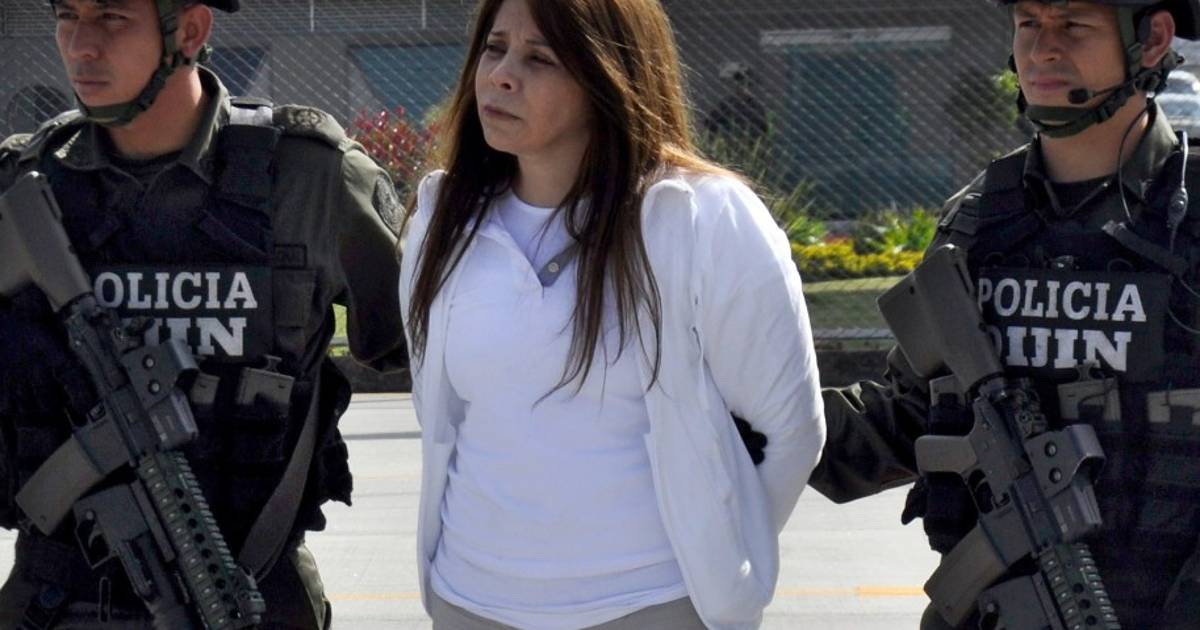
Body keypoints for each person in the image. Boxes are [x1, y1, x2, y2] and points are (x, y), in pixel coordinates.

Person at [397, 0, 826, 628]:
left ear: (608, 77)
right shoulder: (443, 218)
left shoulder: (701, 216)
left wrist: (720, 561)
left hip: (655, 604)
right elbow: (439, 408)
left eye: (540, 58)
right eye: (495, 48)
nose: (502, 76)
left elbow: (792, 432)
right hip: (470, 599)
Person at [0, 1, 407, 628]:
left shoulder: (312, 179)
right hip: (54, 604)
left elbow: (432, 351)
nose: (80, 44)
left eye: (111, 17)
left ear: (189, 30)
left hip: (249, 595)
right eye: (66, 15)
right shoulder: (21, 185)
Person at [810, 1, 1200, 628]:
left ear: (1151, 38)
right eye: (1028, 23)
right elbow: (910, 415)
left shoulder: (1189, 219)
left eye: (1073, 24)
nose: (1043, 49)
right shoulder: (978, 221)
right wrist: (765, 411)